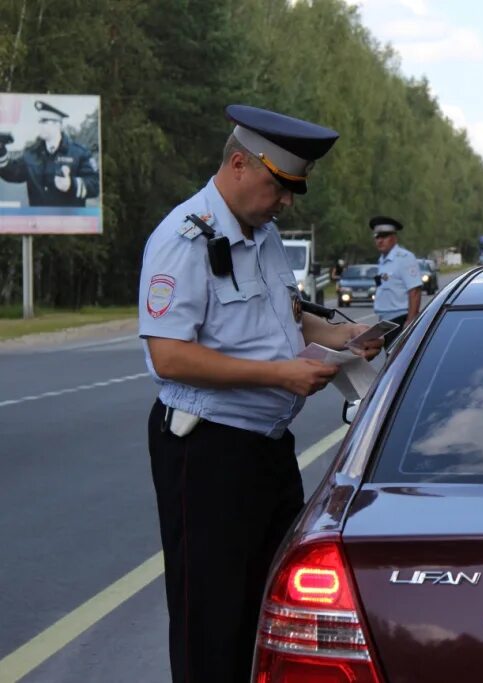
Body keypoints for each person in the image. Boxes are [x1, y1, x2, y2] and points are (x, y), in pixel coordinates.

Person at [138, 103, 382, 683]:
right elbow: (168, 355)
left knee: (268, 610)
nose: (286, 201)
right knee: (211, 623)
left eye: (293, 190)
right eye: (279, 186)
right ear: (240, 164)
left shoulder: (263, 236)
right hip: (208, 452)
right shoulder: (182, 238)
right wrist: (281, 376)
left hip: (267, 450)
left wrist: (345, 338)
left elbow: (287, 321)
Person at [0, 100, 99, 207]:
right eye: (39, 121)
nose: (39, 125)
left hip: (69, 221)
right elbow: (12, 173)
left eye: (44, 121)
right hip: (39, 221)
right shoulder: (31, 154)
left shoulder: (79, 153)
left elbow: (95, 185)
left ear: (58, 125)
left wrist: (71, 184)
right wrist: (1, 150)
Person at [370, 215, 422, 344]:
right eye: (377, 237)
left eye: (384, 236)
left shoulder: (404, 258)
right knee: (390, 357)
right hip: (385, 320)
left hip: (399, 318)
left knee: (398, 360)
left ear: (394, 238)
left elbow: (414, 291)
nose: (380, 241)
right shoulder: (382, 260)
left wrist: (410, 322)